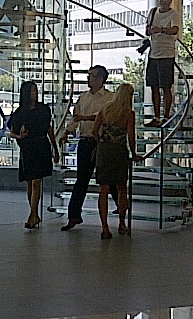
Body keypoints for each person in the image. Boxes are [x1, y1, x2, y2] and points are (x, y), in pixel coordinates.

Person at [59, 65, 114, 231]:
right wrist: (68, 132)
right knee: (81, 180)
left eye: (91, 75)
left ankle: (122, 207)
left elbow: (104, 117)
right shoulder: (83, 97)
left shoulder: (110, 98)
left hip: (103, 142)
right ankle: (73, 216)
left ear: (100, 79)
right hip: (85, 141)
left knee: (108, 179)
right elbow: (76, 116)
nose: (88, 78)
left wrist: (85, 118)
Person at [92, 83, 142, 238]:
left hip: (104, 151)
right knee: (122, 189)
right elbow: (131, 137)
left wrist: (102, 140)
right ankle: (121, 223)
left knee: (104, 190)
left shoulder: (105, 108)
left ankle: (105, 227)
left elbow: (94, 131)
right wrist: (134, 153)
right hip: (119, 152)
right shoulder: (129, 114)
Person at [9, 80, 59, 229]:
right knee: (30, 183)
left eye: (36, 90)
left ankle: (33, 214)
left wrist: (55, 149)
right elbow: (12, 132)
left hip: (41, 146)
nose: (35, 94)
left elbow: (49, 129)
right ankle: (34, 213)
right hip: (28, 147)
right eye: (32, 91)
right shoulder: (19, 112)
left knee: (37, 181)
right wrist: (20, 137)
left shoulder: (43, 109)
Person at [144, 0, 180, 126]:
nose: (163, 1)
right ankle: (157, 116)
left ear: (171, 0)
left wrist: (161, 30)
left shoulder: (174, 14)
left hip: (167, 54)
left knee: (166, 86)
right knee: (154, 86)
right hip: (154, 53)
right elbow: (147, 29)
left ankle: (166, 116)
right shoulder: (153, 12)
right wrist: (151, 31)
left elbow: (174, 30)